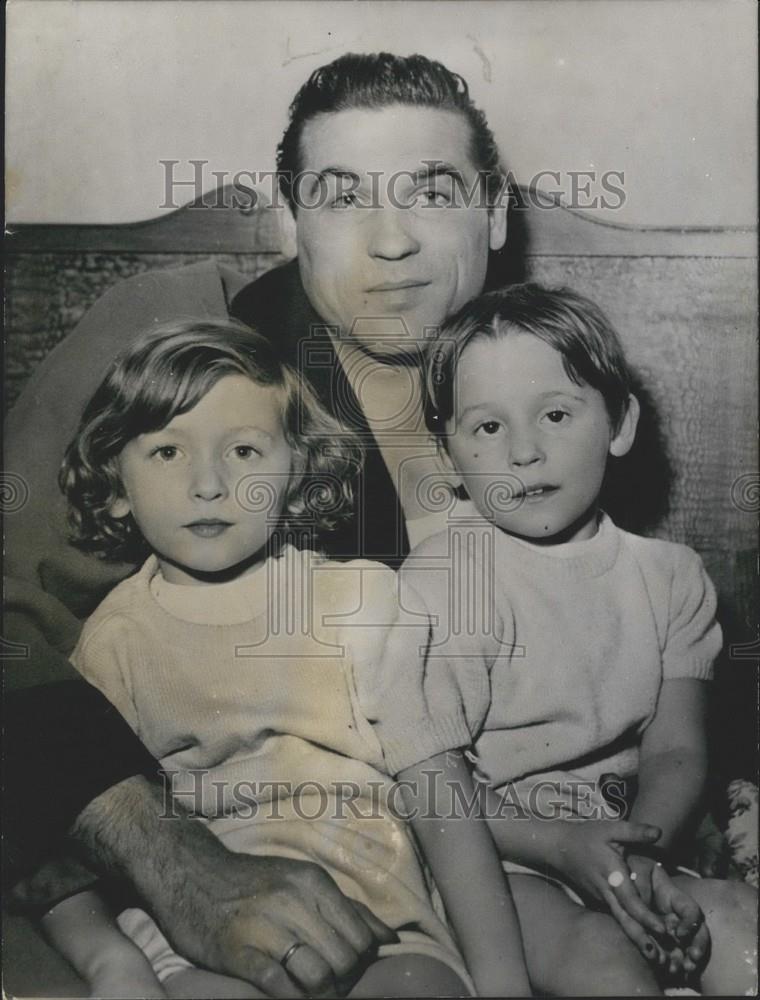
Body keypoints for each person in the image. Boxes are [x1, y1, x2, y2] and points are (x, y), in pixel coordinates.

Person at [4, 52, 511, 993]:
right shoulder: (179, 327)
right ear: (286, 220)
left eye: (433, 190)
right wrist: (175, 863)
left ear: (496, 210)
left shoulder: (529, 395)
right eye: (342, 194)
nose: (391, 241)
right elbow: (6, 621)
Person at [40, 318, 531, 998]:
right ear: (115, 482)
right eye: (166, 453)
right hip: (199, 939)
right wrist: (109, 961)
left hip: (376, 912)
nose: (208, 484)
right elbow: (68, 845)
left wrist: (503, 979)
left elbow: (442, 800)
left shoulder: (361, 601)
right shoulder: (112, 640)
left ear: (297, 467)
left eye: (243, 451)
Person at [395, 283, 758, 995]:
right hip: (496, 859)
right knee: (602, 960)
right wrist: (565, 848)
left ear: (618, 424)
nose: (525, 452)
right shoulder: (441, 584)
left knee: (740, 923)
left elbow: (679, 749)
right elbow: (436, 795)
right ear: (447, 455)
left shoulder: (671, 577)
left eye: (556, 415)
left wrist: (637, 859)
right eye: (488, 429)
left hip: (629, 840)